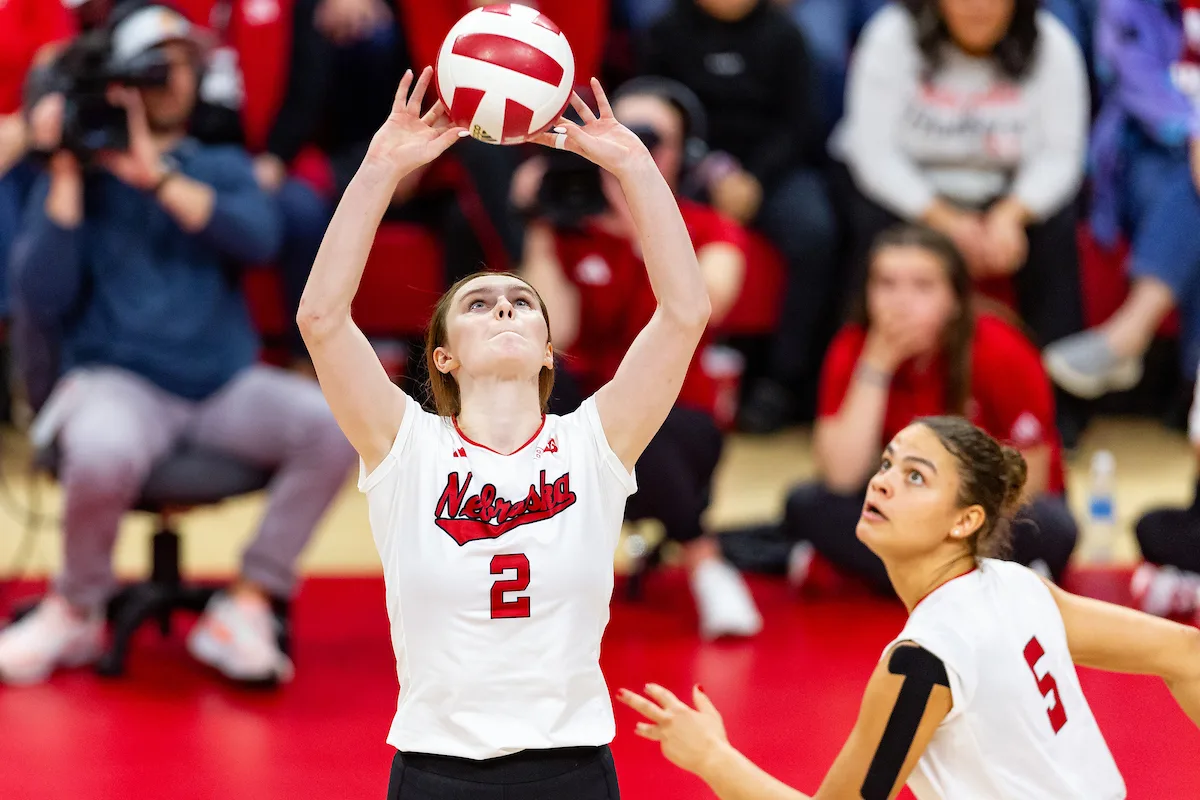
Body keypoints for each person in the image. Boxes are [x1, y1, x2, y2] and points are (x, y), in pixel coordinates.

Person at [296, 68, 711, 798]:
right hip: (434, 769)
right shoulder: (406, 448)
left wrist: (635, 166)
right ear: (443, 356)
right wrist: (380, 168)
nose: (506, 310)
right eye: (480, 304)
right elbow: (321, 320)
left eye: (522, 303)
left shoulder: (594, 444)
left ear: (548, 347)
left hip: (574, 765)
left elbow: (683, 312)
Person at [0, 5, 355, 687]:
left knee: (330, 427)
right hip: (118, 382)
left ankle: (251, 600)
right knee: (102, 447)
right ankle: (75, 607)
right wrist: (70, 173)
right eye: (156, 67)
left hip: (222, 384)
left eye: (185, 65)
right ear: (123, 83)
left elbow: (258, 239)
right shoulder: (81, 176)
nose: (175, 79)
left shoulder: (219, 164)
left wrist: (153, 174)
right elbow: (40, 298)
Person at [620, 416, 1200, 799]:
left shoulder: (925, 659)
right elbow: (1186, 652)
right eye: (888, 464)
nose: (883, 483)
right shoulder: (1018, 586)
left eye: (915, 476)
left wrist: (711, 757)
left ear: (965, 520)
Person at [521, 78, 761, 639]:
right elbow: (552, 333)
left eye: (649, 139)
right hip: (587, 413)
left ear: (684, 154)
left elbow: (705, 302)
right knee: (542, 389)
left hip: (681, 418)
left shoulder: (708, 228)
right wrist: (539, 226)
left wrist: (639, 223)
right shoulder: (568, 229)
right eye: (613, 133)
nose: (627, 147)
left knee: (642, 424)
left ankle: (704, 560)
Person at [727, 225, 1077, 589]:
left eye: (923, 286)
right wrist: (876, 366)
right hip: (904, 508)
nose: (901, 302)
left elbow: (1029, 481)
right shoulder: (853, 348)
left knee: (1051, 527)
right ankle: (961, 581)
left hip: (982, 513)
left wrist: (947, 520)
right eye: (886, 284)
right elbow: (840, 477)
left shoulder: (1000, 348)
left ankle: (898, 575)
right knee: (806, 505)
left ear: (956, 298)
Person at [833, 0, 1089, 378]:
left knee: (1058, 227)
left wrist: (1011, 215)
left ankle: (1055, 393)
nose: (977, 8)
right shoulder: (892, 36)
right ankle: (855, 379)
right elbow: (873, 154)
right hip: (911, 194)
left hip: (1005, 194)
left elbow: (1061, 157)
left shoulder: (1053, 44)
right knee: (864, 221)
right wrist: (947, 221)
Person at [640, 0, 841, 433]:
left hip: (771, 171)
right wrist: (712, 171)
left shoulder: (786, 36)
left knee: (816, 232)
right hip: (684, 167)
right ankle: (643, 370)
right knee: (632, 218)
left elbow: (800, 123)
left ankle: (783, 381)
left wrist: (755, 180)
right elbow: (653, 114)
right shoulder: (666, 32)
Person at [1043, 0, 1200, 399]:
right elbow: (1137, 83)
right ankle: (1188, 386)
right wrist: (1194, 131)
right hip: (1146, 156)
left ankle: (1130, 334)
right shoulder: (1128, 5)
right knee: (1189, 187)